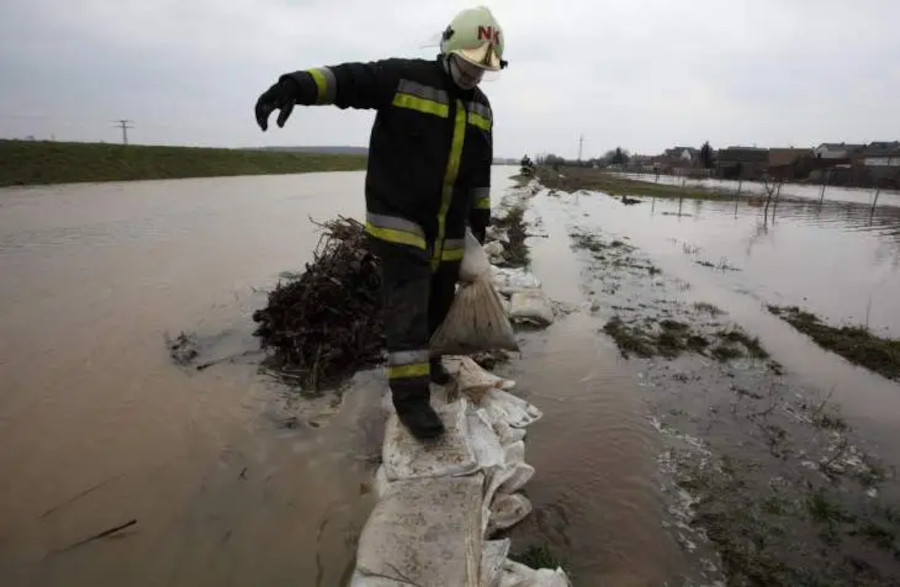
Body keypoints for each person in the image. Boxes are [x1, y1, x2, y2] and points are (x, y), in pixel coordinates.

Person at [254, 6, 507, 440]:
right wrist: (294, 86)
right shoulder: (406, 78)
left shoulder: (481, 108)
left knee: (437, 308)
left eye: (483, 68)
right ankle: (410, 402)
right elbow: (348, 80)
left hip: (449, 234)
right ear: (449, 49)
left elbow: (479, 174)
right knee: (406, 314)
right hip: (400, 224)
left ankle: (428, 365)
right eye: (469, 64)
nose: (474, 75)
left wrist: (478, 226)